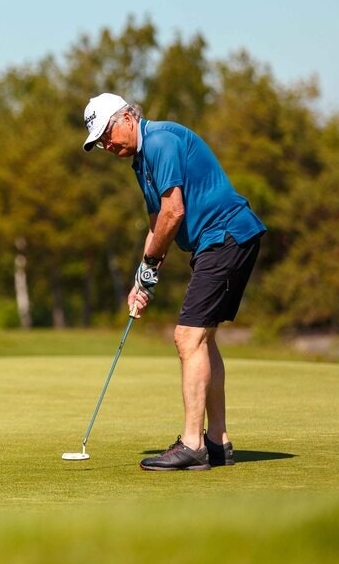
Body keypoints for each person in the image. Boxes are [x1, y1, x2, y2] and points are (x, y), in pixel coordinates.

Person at [82, 93, 265, 471]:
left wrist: (150, 266)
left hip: (226, 236)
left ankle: (193, 444)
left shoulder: (161, 141)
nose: (107, 144)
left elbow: (174, 211)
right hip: (220, 241)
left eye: (108, 133)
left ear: (129, 117)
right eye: (100, 141)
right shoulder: (141, 162)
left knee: (187, 336)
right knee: (202, 338)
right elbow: (156, 225)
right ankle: (217, 441)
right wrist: (142, 280)